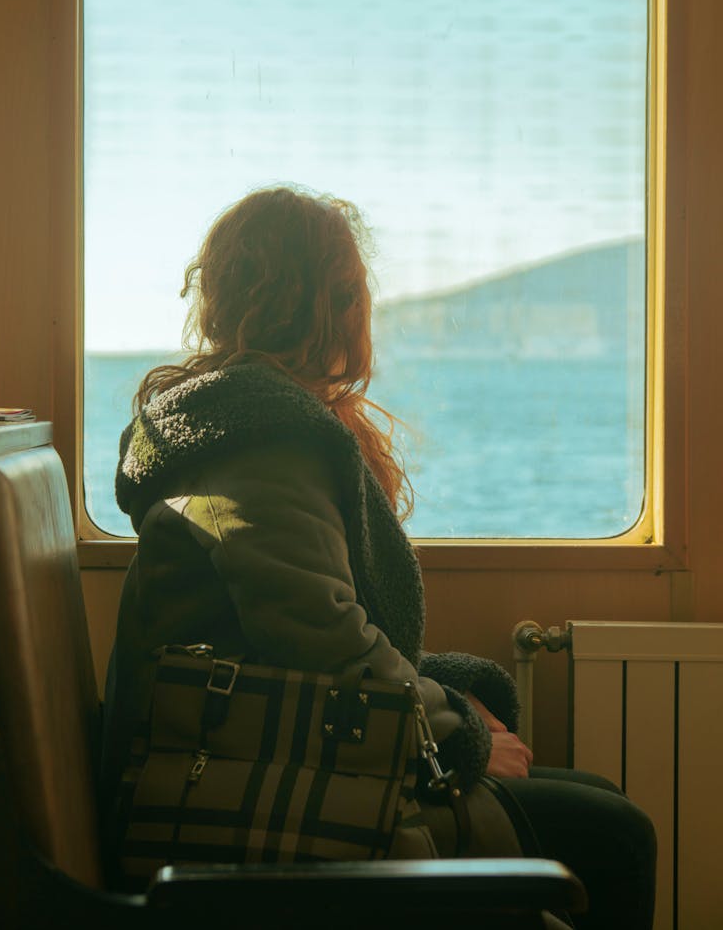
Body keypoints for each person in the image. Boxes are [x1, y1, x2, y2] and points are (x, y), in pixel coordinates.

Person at [101, 186, 655, 927]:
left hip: (256, 745)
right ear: (336, 305)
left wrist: (452, 702)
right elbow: (326, 640)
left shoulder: (240, 421)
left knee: (596, 800)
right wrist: (457, 730)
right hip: (239, 777)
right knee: (616, 835)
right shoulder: (261, 439)